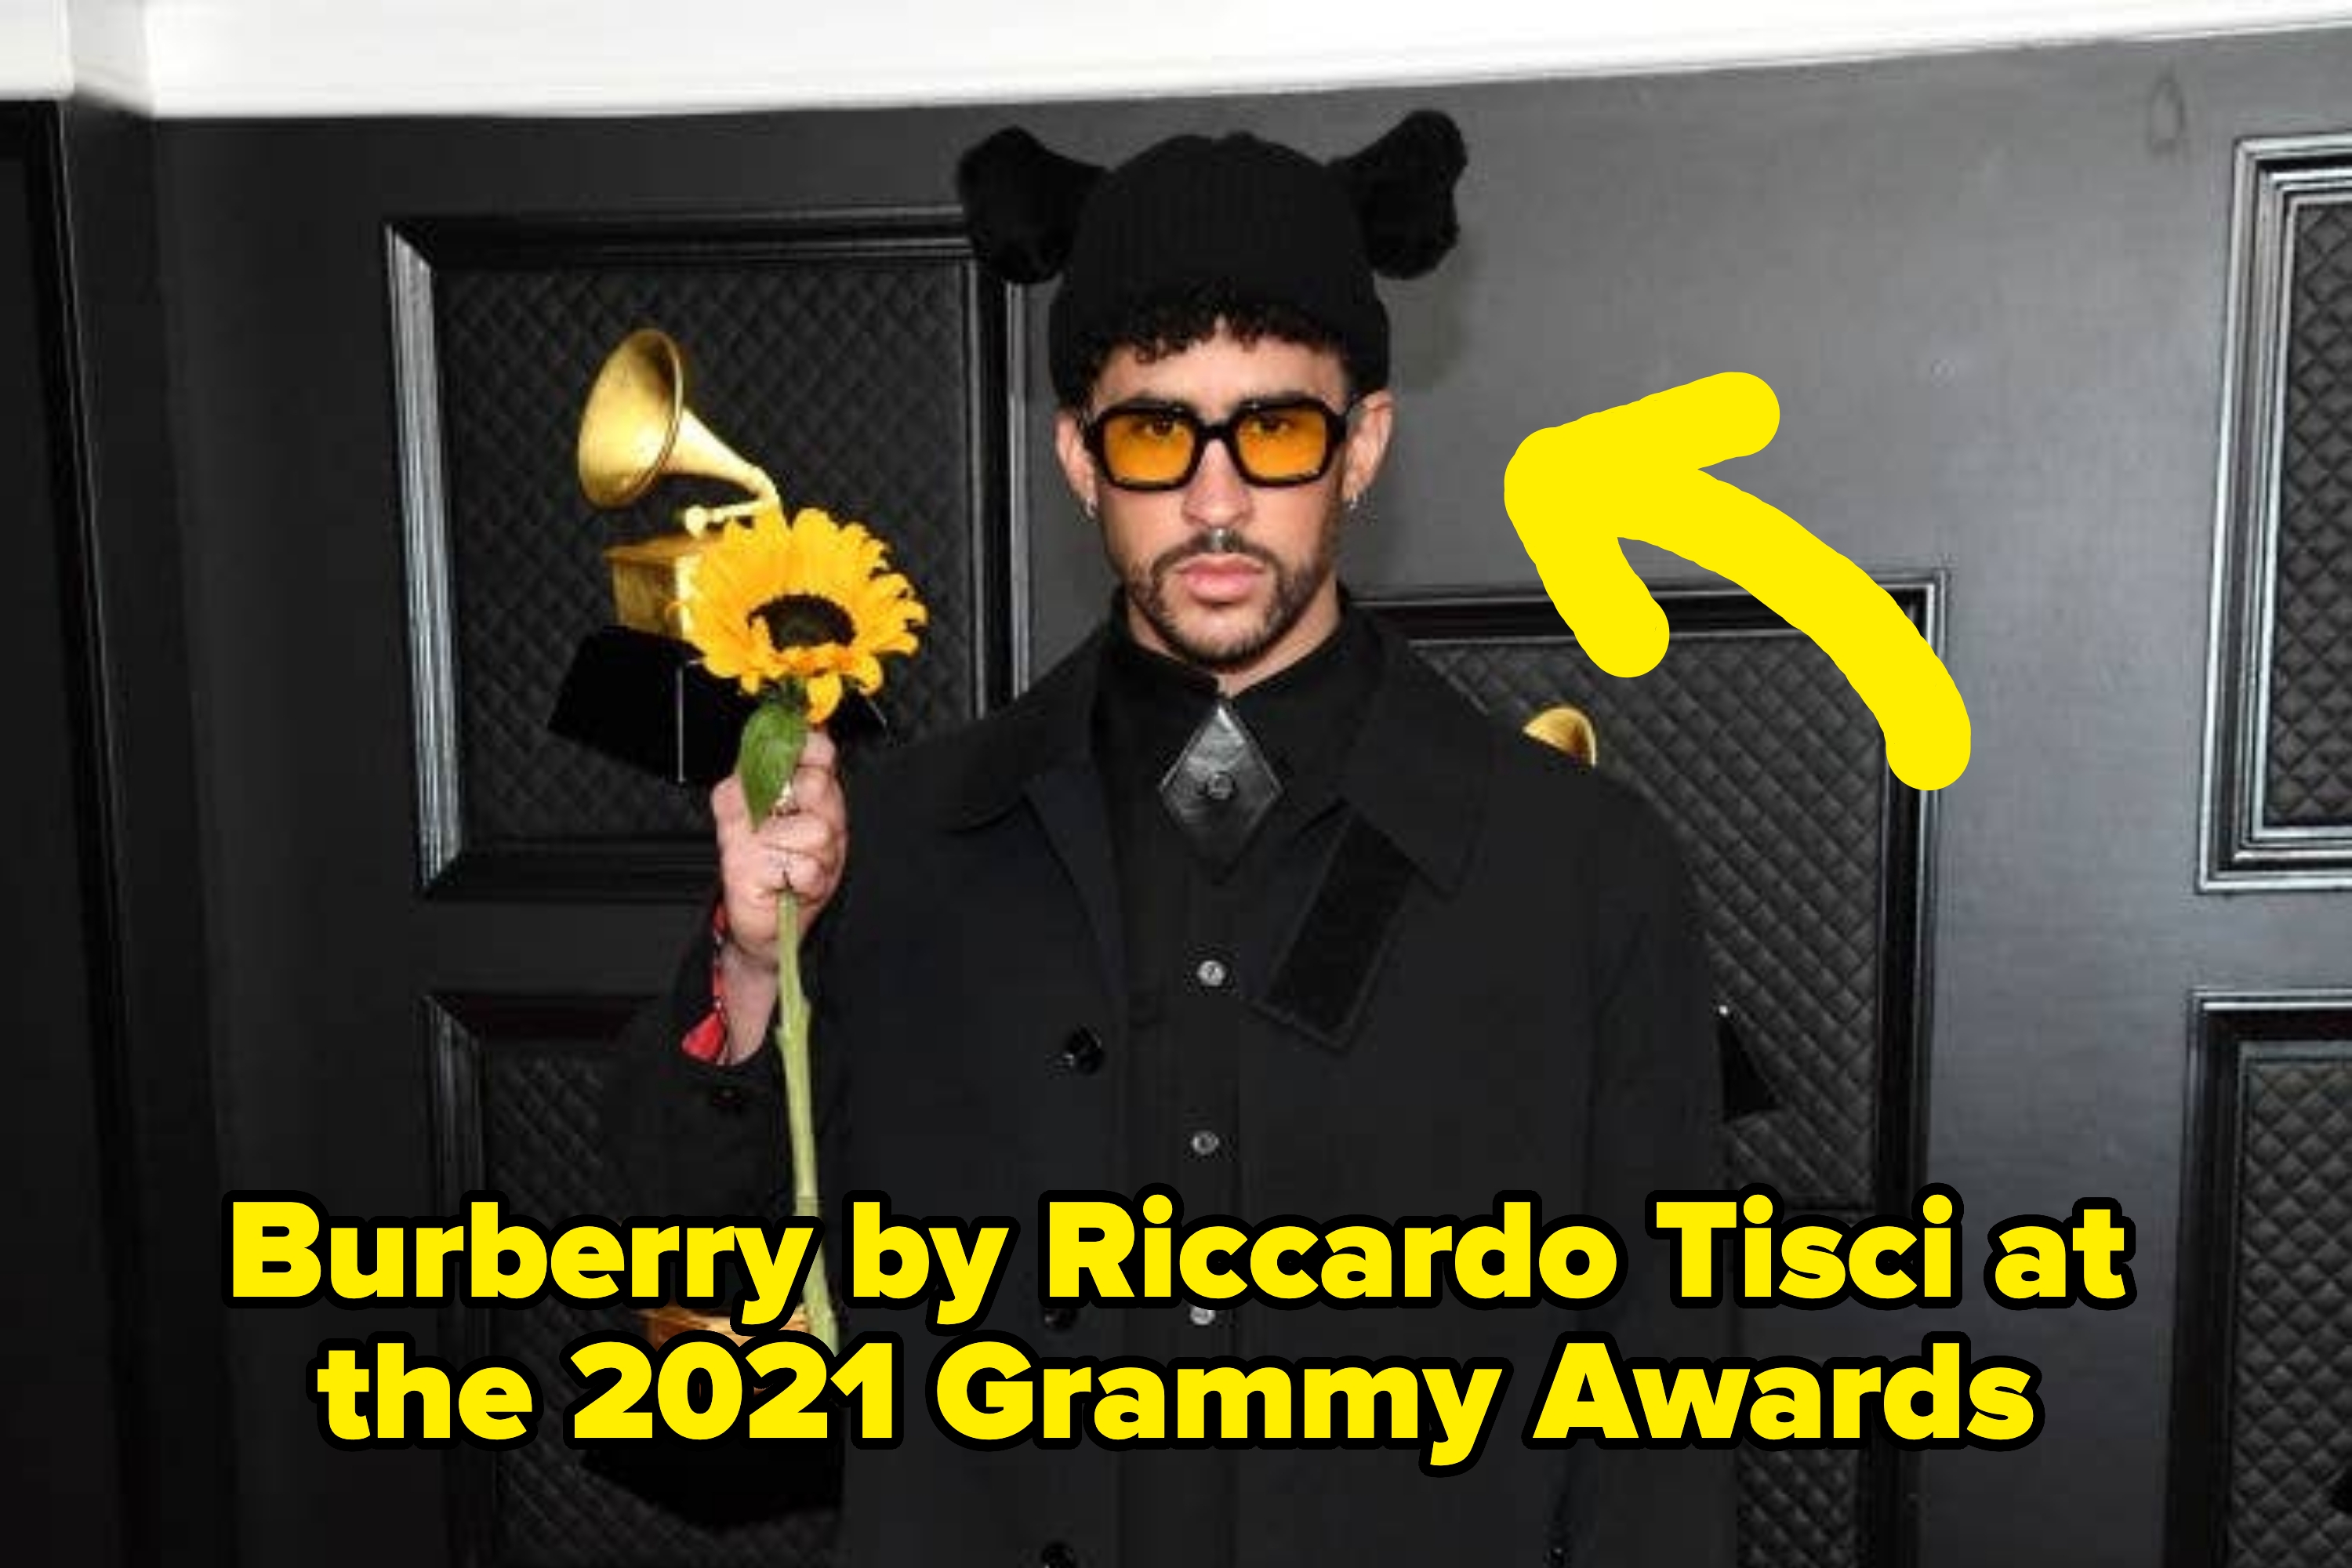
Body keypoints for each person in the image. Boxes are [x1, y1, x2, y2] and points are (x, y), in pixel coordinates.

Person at [611, 108, 1733, 1567]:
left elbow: (1664, 1424)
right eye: (1157, 432)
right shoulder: (886, 844)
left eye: (1273, 427)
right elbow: (684, 1283)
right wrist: (757, 977)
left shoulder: (1584, 871)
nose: (1215, 499)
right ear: (1082, 457)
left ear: (1363, 445)